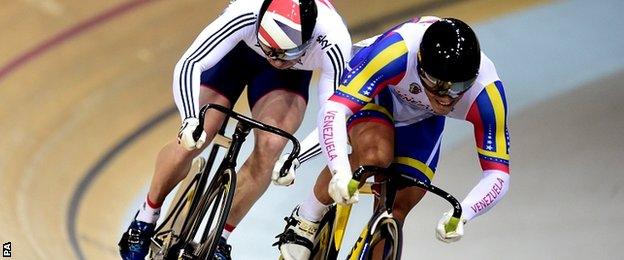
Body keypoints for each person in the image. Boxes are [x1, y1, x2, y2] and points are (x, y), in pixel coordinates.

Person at [117, 0, 351, 259]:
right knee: (196, 135)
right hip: (237, 53)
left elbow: (335, 116)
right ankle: (146, 217)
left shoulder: (333, 40)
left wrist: (296, 157)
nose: (274, 59)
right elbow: (190, 63)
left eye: (283, 54)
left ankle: (220, 239)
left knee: (271, 146)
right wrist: (190, 119)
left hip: (288, 77)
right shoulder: (245, 12)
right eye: (270, 51)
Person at [273, 16, 511, 259]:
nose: (447, 98)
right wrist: (340, 170)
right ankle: (307, 218)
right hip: (378, 89)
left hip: (422, 117)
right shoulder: (396, 52)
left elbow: (498, 174)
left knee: (399, 205)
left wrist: (465, 213)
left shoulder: (486, 93)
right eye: (438, 85)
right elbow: (334, 111)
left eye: (458, 88)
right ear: (419, 64)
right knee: (375, 157)